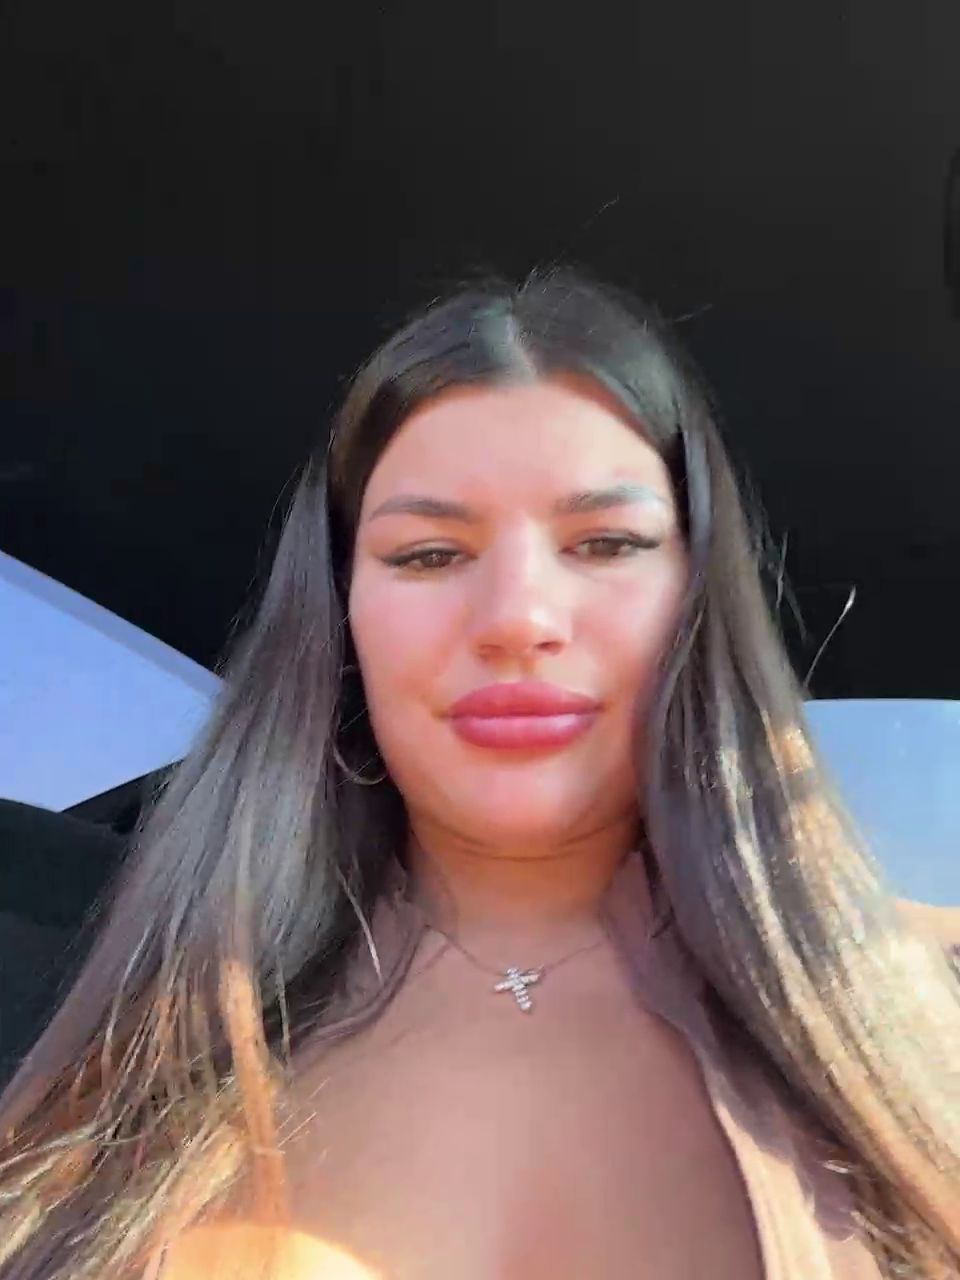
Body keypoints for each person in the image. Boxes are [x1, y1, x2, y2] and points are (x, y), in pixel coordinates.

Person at [0, 267, 958, 1280]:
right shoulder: (104, 1008)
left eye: (607, 542)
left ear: (696, 594)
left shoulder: (926, 1007)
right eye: (427, 554)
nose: (517, 617)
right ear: (339, 609)